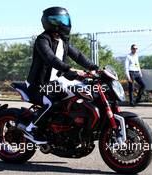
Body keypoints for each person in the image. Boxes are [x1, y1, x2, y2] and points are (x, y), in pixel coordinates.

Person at [24, 7, 98, 144]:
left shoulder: (63, 40)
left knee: (84, 90)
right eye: (60, 20)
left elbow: (78, 55)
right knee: (54, 101)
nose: (64, 23)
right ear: (50, 22)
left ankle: (69, 126)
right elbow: (50, 58)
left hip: (56, 81)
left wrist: (94, 68)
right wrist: (69, 69)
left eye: (65, 19)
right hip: (39, 84)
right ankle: (31, 128)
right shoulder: (42, 40)